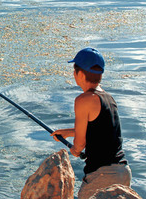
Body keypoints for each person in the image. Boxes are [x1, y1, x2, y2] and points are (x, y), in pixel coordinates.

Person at [51, 47, 131, 199]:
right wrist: (67, 132)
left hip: (103, 175)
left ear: (79, 74)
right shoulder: (108, 98)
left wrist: (75, 149)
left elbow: (80, 144)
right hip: (122, 172)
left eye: (74, 70)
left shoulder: (83, 100)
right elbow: (99, 131)